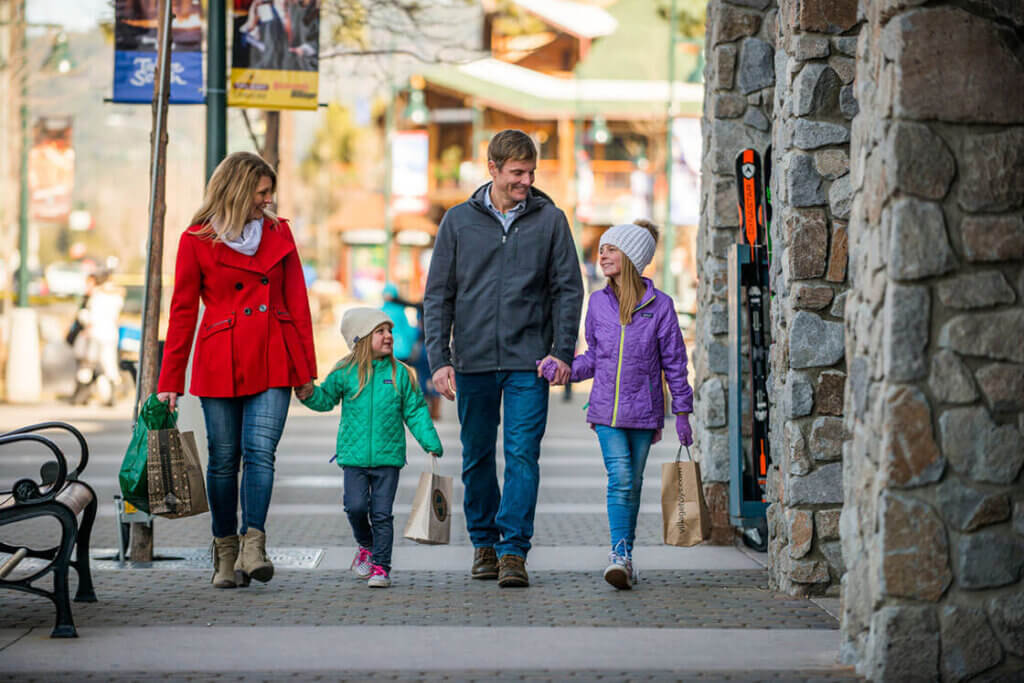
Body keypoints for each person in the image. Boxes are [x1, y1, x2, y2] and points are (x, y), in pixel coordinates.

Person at [424, 129, 583, 588]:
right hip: (471, 362)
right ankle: (484, 544)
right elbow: (439, 297)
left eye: (531, 172)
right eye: (516, 173)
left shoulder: (550, 221)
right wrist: (440, 359)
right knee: (475, 457)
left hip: (527, 363)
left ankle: (513, 550)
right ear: (491, 168)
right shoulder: (457, 222)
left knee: (521, 456)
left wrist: (561, 351)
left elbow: (568, 290)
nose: (525, 181)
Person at [156, 151, 316, 590]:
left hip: (274, 354)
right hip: (220, 357)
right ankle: (224, 550)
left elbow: (297, 303)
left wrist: (305, 370)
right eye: (261, 192)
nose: (268, 200)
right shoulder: (196, 239)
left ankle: (254, 545)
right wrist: (169, 381)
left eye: (270, 192)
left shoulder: (279, 233)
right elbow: (183, 312)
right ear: (239, 190)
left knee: (261, 453)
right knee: (225, 460)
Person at [540, 220, 693, 590]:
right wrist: (563, 369)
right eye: (602, 249)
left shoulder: (661, 307)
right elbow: (596, 357)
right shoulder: (598, 303)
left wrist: (684, 412)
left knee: (634, 484)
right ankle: (618, 554)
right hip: (606, 411)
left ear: (632, 258)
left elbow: (674, 361)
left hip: (644, 412)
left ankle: (626, 556)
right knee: (621, 479)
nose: (603, 255)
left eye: (611, 249)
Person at [296, 308, 442, 588]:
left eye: (389, 330)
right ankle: (366, 544)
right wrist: (309, 394)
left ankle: (381, 567)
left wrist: (429, 441)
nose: (389, 336)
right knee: (355, 507)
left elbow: (415, 411)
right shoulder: (344, 371)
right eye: (381, 331)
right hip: (354, 457)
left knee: (382, 514)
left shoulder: (401, 373)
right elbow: (325, 400)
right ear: (361, 338)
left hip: (389, 458)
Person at [70, 270, 125, 406]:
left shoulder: (96, 297)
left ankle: (81, 396)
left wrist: (83, 317)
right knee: (109, 364)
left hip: (95, 334)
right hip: (110, 334)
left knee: (87, 365)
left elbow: (90, 318)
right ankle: (110, 396)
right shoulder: (116, 297)